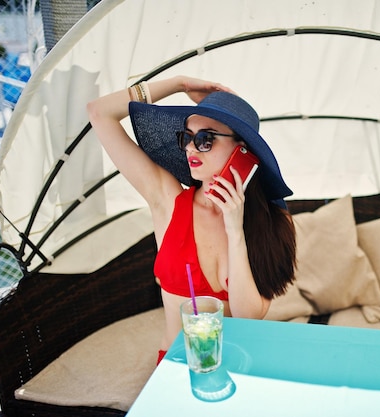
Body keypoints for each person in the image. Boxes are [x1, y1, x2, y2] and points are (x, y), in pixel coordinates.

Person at [87, 76, 296, 363]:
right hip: (175, 367)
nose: (190, 148)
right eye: (187, 137)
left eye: (205, 139)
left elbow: (249, 317)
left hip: (238, 362)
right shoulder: (168, 200)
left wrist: (235, 230)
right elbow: (100, 113)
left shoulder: (270, 223)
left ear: (242, 150)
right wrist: (179, 84)